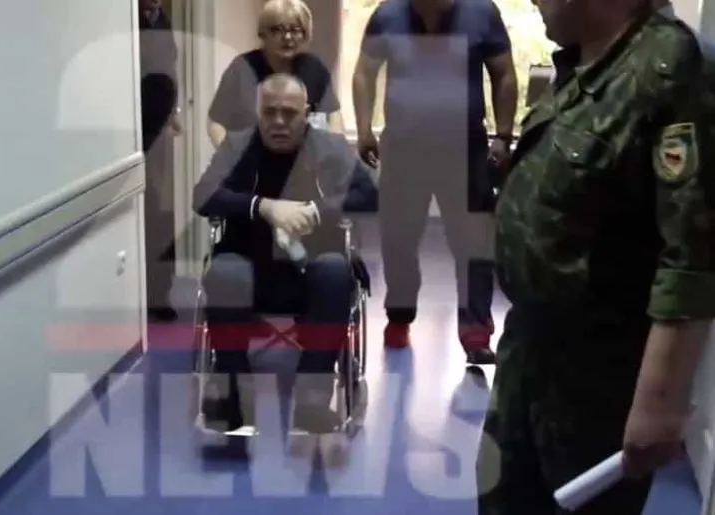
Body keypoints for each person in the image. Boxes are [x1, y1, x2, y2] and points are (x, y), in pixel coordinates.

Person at [477, 2, 715, 514]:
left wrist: (662, 400)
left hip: (596, 377)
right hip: (527, 351)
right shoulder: (584, 61)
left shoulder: (667, 68)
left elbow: (692, 251)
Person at [192, 73, 376, 434]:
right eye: (269, 112)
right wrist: (263, 207)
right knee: (225, 272)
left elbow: (370, 194)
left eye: (289, 113)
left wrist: (316, 211)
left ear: (306, 113)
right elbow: (203, 196)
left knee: (334, 271)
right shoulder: (237, 146)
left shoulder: (331, 147)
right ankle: (231, 393)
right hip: (248, 264)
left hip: (313, 268)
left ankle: (312, 399)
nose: (278, 121)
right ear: (257, 112)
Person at [352, 0, 518, 364]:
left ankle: (475, 332)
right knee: (398, 237)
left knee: (473, 240)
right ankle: (399, 316)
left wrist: (504, 136)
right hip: (404, 147)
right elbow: (364, 72)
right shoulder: (388, 14)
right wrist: (364, 129)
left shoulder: (482, 13)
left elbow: (504, 73)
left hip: (465, 148)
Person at [206, 0, 344, 148]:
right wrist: (229, 156)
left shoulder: (314, 69)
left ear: (305, 34)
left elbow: (334, 115)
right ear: (263, 34)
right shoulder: (242, 69)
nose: (288, 37)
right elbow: (216, 122)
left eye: (295, 30)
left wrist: (334, 152)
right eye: (278, 29)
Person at [139, 0, 182, 322]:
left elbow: (169, 68)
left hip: (161, 131)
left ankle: (160, 293)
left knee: (162, 214)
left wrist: (174, 112)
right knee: (142, 211)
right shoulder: (124, 18)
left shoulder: (161, 19)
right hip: (134, 133)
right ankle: (139, 293)